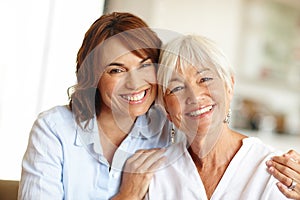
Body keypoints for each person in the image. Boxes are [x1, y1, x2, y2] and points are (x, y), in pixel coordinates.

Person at [17, 12, 174, 200]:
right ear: (93, 77)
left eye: (145, 66)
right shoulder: (53, 129)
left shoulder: (169, 130)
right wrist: (128, 195)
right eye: (117, 70)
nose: (135, 83)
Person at [145, 34, 289, 199]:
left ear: (229, 87)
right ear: (166, 109)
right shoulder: (155, 173)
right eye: (177, 88)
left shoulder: (273, 171)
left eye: (205, 79)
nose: (195, 96)